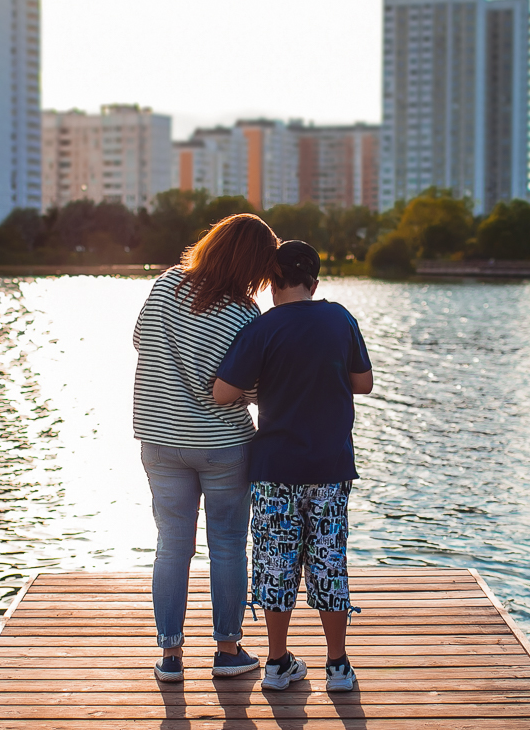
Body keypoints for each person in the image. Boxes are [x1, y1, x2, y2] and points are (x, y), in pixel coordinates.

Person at [212, 240, 372, 693]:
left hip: (275, 468)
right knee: (328, 561)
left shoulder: (263, 328)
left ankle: (277, 663)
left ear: (271, 282)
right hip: (330, 465)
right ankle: (337, 666)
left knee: (276, 563)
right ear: (314, 282)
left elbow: (223, 393)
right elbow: (365, 382)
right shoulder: (340, 318)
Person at [132, 213, 277, 682]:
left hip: (159, 439)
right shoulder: (244, 313)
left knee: (172, 547)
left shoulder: (167, 283)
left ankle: (171, 658)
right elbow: (251, 389)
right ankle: (227, 651)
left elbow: (139, 341)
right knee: (229, 545)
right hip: (222, 445)